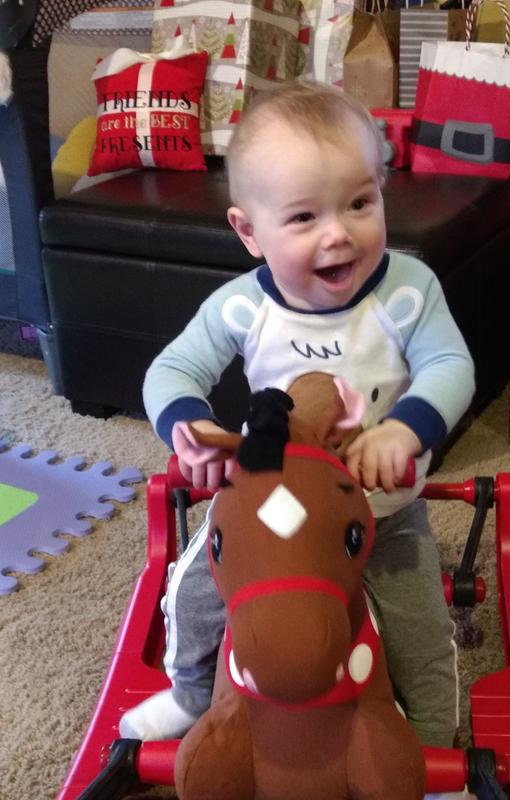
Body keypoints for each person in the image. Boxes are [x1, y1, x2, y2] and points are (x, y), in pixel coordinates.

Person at [120, 81, 475, 749]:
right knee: (193, 595)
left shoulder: (408, 291)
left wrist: (404, 429)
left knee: (422, 629)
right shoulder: (241, 306)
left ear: (380, 190)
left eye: (360, 203)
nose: (339, 233)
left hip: (381, 511)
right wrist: (187, 430)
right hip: (268, 509)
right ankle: (194, 696)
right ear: (249, 231)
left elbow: (450, 367)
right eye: (304, 217)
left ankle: (431, 744)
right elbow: (171, 371)